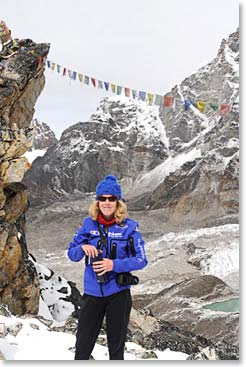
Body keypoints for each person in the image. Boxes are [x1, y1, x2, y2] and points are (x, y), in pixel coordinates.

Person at [67, 175, 147, 360]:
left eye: (112, 198)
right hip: (92, 295)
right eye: (102, 198)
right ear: (97, 201)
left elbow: (141, 259)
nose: (107, 202)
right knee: (82, 349)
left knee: (116, 350)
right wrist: (82, 248)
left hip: (118, 295)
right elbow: (71, 254)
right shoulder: (88, 225)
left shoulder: (130, 228)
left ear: (118, 202)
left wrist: (114, 265)